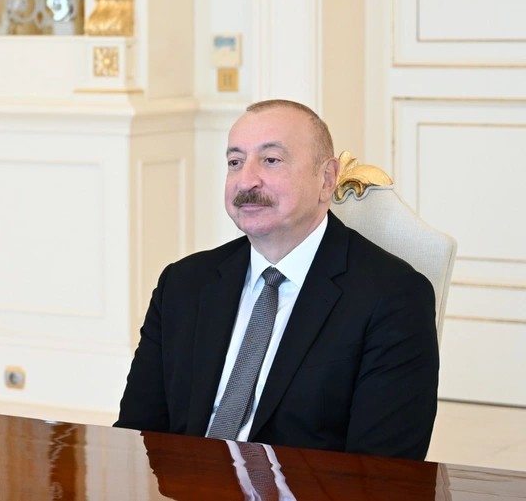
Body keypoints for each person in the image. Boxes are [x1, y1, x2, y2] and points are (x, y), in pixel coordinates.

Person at [115, 99, 438, 459]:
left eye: (271, 160)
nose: (246, 180)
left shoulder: (393, 298)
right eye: (235, 162)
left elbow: (383, 470)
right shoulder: (183, 284)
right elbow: (136, 435)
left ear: (326, 179)